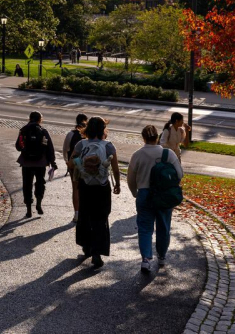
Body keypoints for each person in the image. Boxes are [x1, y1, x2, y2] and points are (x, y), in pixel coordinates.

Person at [128, 125, 184, 273]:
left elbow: (131, 179)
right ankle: (162, 256)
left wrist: (135, 193)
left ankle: (146, 259)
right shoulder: (168, 154)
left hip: (144, 194)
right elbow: (179, 174)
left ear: (143, 137)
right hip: (164, 195)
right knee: (163, 226)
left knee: (145, 227)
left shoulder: (137, 155)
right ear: (157, 137)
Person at [72, 116, 121, 269]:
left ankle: (86, 246)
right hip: (102, 186)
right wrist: (117, 184)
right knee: (100, 218)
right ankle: (97, 253)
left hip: (85, 185)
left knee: (85, 215)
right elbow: (115, 168)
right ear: (102, 130)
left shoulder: (81, 144)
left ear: (87, 129)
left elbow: (71, 162)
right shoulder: (108, 146)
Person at [15, 111, 57, 219]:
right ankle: (38, 203)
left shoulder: (23, 130)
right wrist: (52, 162)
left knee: (27, 185)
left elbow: (18, 146)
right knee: (40, 183)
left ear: (29, 118)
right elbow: (49, 148)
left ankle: (29, 209)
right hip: (40, 162)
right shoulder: (43, 131)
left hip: (26, 162)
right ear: (40, 119)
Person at [63, 114, 88, 223]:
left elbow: (65, 150)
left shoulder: (71, 134)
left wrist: (67, 162)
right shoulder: (89, 135)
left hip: (75, 166)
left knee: (76, 189)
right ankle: (85, 212)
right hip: (87, 166)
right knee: (87, 189)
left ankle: (77, 213)